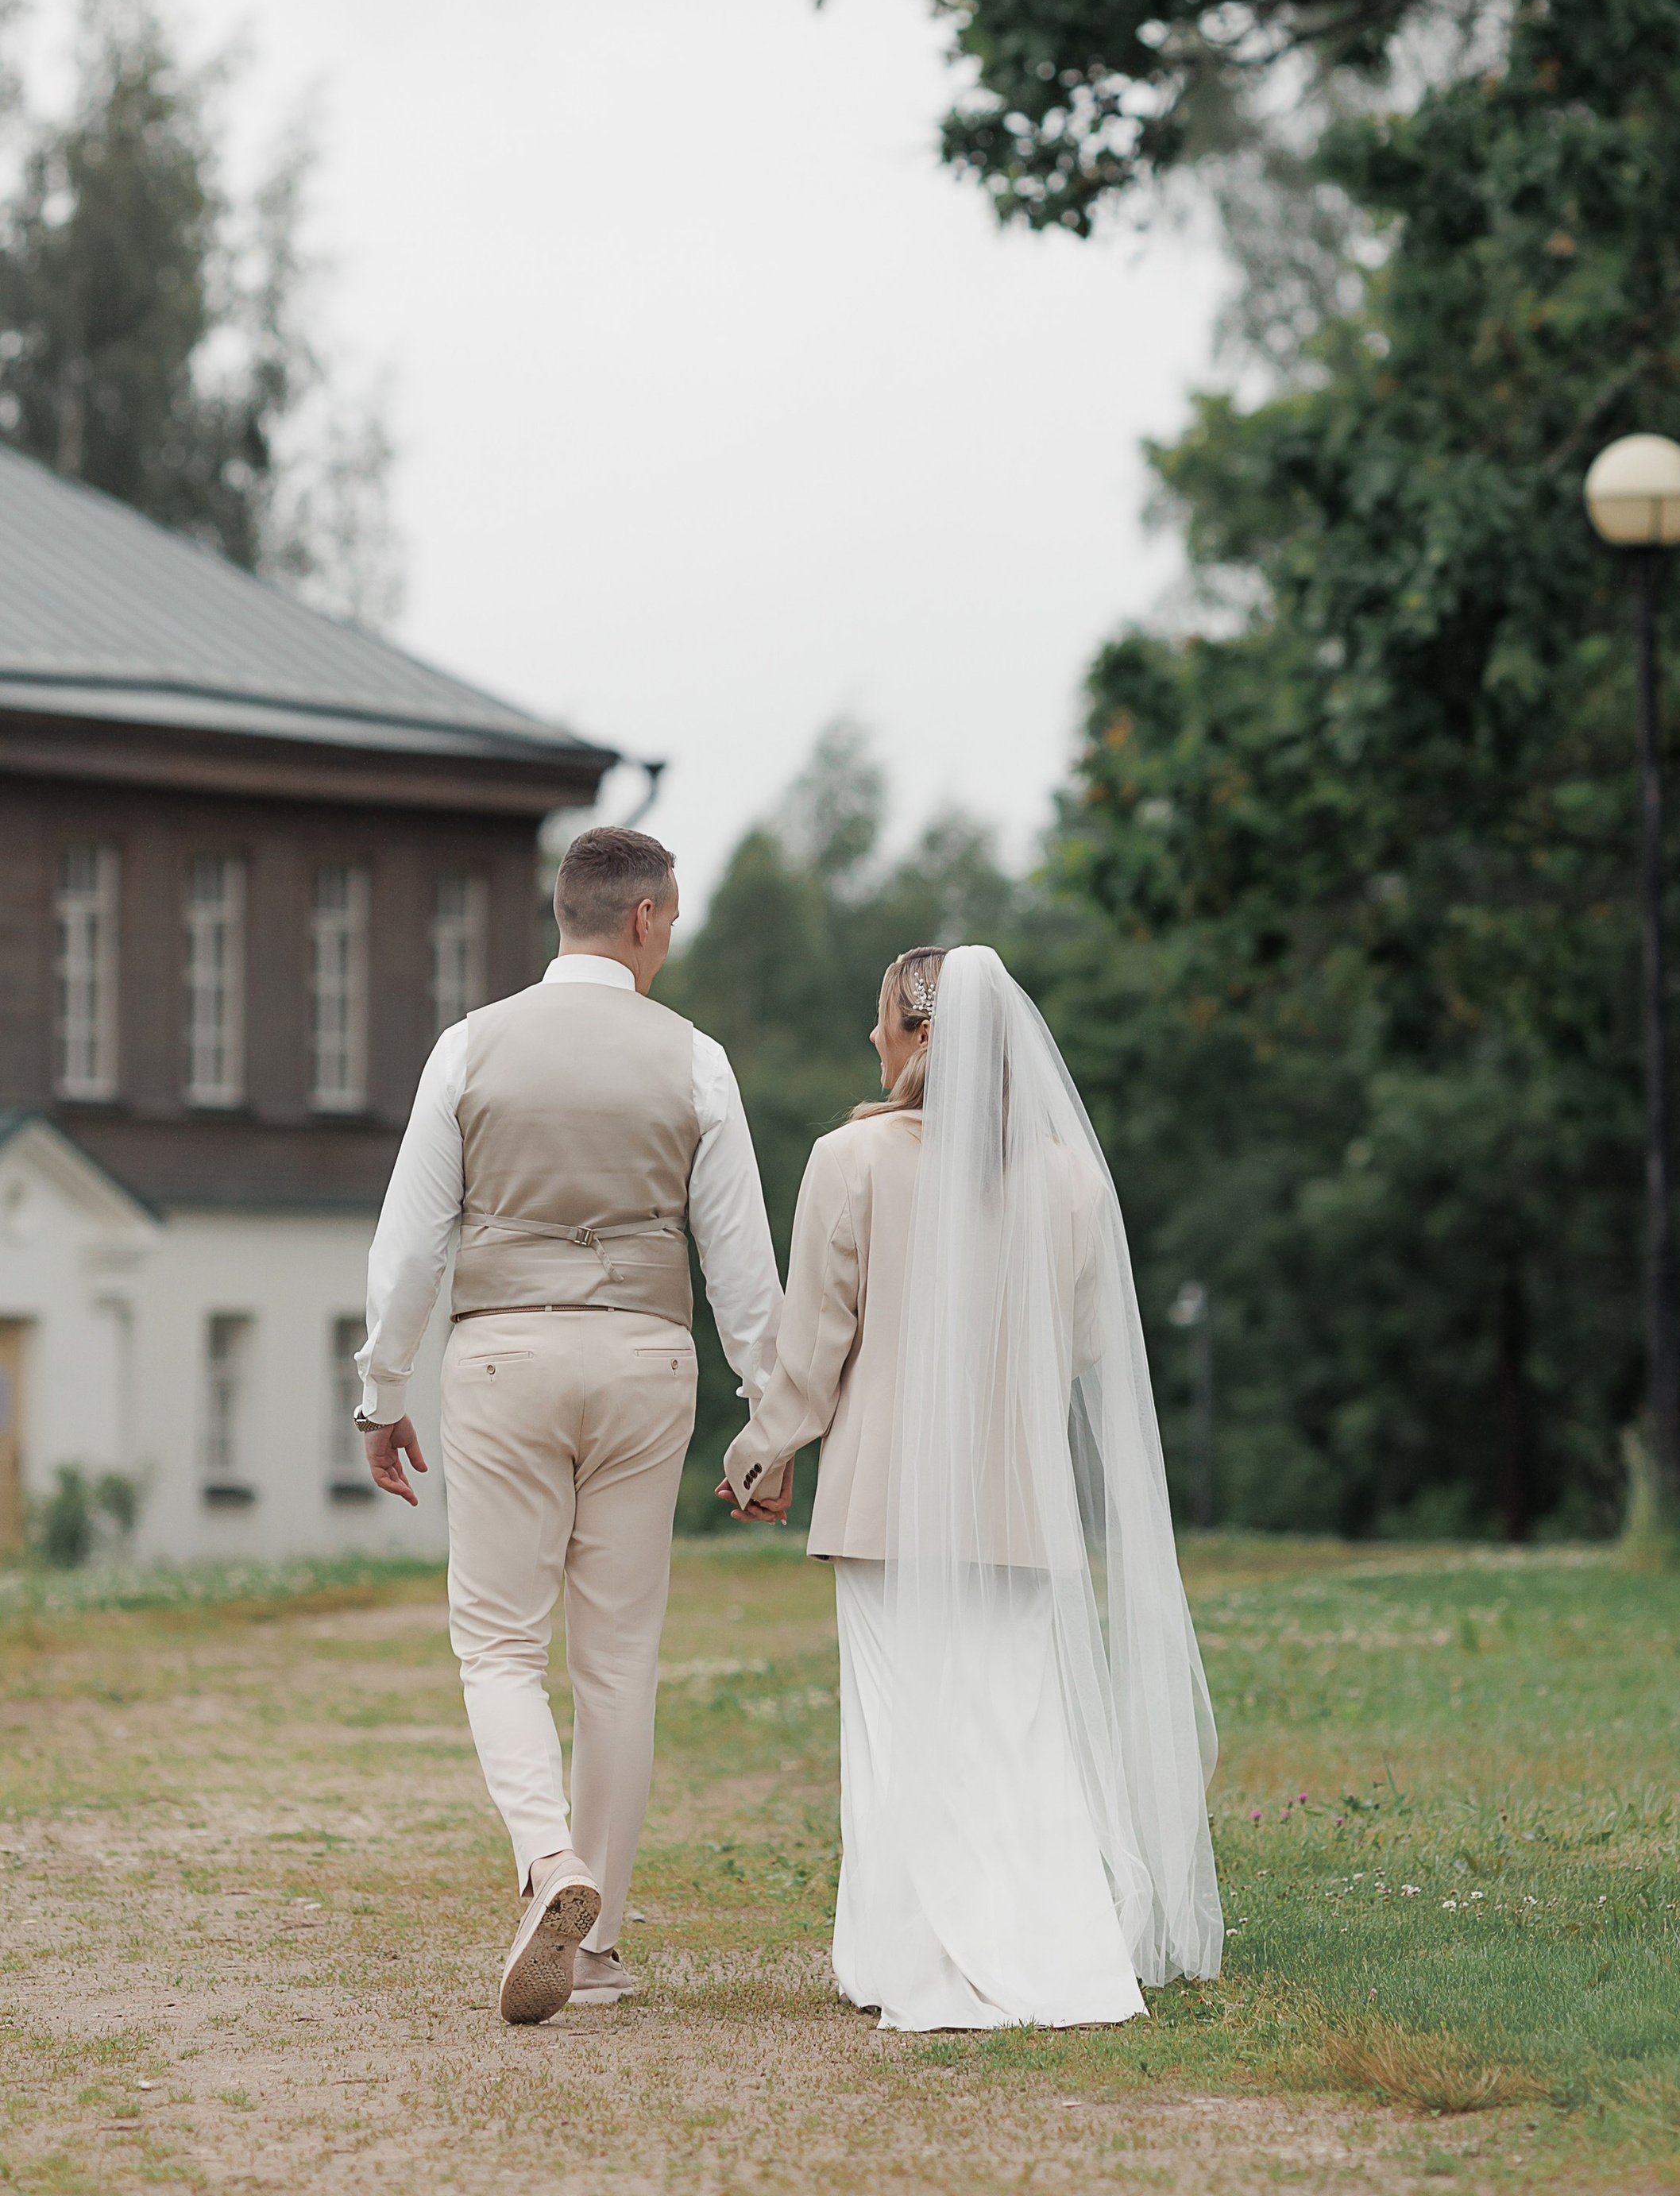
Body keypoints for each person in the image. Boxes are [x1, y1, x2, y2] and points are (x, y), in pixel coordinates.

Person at [720, 943, 1222, 2029]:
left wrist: (763, 1453)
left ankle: (910, 1958)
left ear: (924, 1034)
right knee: (1015, 1732)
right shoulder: (1074, 1181)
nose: (871, 1037)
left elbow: (813, 1347)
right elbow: (1088, 1347)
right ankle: (1054, 1948)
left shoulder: (849, 1162)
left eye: (883, 1019)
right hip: (1019, 1502)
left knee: (900, 1731)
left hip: (885, 1500)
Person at [354, 825, 786, 2024]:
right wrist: (775, 1422)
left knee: (498, 1644)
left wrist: (380, 1393)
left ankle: (552, 1863)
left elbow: (410, 1246)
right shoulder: (696, 1061)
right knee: (618, 1660)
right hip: (647, 1358)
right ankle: (594, 1952)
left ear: (567, 913)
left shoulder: (468, 1048)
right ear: (645, 919)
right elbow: (742, 1267)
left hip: (504, 1355)